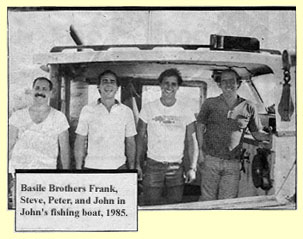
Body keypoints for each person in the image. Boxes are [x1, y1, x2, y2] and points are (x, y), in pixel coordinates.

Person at [196, 69, 271, 201]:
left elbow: (256, 133)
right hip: (211, 160)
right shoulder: (209, 103)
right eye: (224, 81)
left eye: (232, 81)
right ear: (219, 84)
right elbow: (200, 126)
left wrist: (273, 137)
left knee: (228, 203)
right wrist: (200, 152)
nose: (228, 84)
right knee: (207, 200)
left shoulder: (249, 106)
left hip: (233, 164)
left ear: (239, 84)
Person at [135, 68, 197, 205]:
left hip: (176, 168)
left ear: (178, 87)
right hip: (152, 166)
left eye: (173, 84)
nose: (169, 87)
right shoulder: (148, 108)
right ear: (160, 85)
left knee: (174, 208)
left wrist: (192, 168)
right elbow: (140, 138)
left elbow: (192, 141)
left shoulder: (186, 109)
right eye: (166, 83)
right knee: (150, 206)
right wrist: (138, 165)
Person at [74, 70, 136, 170]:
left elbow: (130, 142)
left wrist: (132, 168)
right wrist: (78, 168)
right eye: (105, 81)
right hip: (92, 167)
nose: (108, 85)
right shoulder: (87, 110)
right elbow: (80, 140)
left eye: (112, 82)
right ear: (98, 86)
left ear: (117, 88)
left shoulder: (126, 111)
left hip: (119, 167)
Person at [9, 77, 71, 173]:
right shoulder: (18, 115)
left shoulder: (59, 117)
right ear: (32, 90)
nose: (40, 92)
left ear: (50, 93)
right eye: (37, 88)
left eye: (44, 89)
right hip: (18, 171)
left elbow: (65, 150)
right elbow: (8, 145)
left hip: (45, 173)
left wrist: (67, 175)